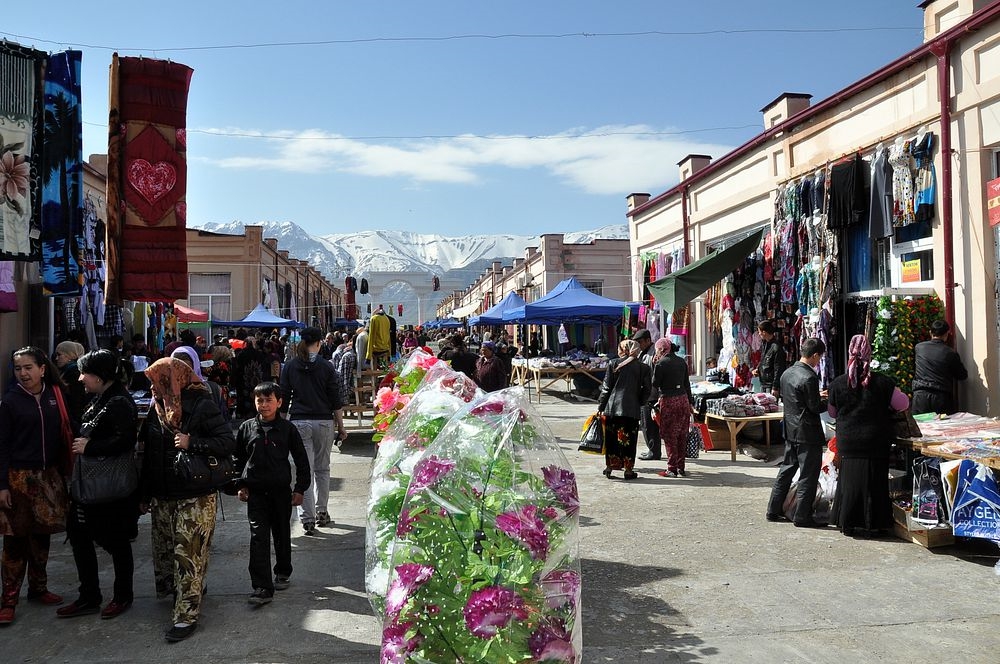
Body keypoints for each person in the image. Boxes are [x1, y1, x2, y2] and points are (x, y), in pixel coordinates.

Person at [139, 357, 236, 642]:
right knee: (168, 554)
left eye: (158, 382)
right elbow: (149, 456)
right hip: (163, 495)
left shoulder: (201, 404)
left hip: (194, 494)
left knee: (188, 555)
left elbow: (227, 442)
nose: (153, 388)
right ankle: (184, 594)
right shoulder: (156, 408)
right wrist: (145, 494)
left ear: (174, 380)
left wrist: (193, 442)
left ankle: (186, 617)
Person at [57, 350, 139, 620]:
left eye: (84, 373)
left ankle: (121, 596)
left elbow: (127, 442)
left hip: (108, 490)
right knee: (80, 538)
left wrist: (90, 446)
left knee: (115, 542)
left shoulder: (118, 402)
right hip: (89, 487)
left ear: (100, 375)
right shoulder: (101, 397)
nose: (80, 378)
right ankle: (89, 595)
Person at [0, 347, 71, 624]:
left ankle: (38, 588)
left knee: (42, 535)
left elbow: (68, 430)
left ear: (42, 369)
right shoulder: (10, 402)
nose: (23, 373)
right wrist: (2, 485)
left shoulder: (56, 395)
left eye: (28, 367)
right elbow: (2, 446)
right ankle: (8, 600)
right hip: (18, 477)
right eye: (18, 369)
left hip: (49, 476)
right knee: (15, 540)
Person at [234, 383, 311, 605]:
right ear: (254, 402)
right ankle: (262, 587)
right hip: (256, 493)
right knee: (258, 537)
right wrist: (240, 484)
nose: (264, 405)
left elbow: (301, 461)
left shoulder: (288, 429)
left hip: (280, 493)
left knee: (281, 533)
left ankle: (283, 570)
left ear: (279, 402)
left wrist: (299, 489)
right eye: (260, 400)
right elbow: (237, 459)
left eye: (269, 400)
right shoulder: (247, 428)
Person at [827, 335, 910, 537]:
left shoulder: (838, 383)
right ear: (868, 355)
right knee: (876, 483)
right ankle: (876, 523)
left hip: (849, 441)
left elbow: (832, 413)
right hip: (876, 441)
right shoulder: (883, 382)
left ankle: (847, 522)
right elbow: (903, 405)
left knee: (848, 483)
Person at [279, 327, 346, 536]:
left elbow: (284, 398)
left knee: (303, 471)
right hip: (324, 422)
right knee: (322, 469)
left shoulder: (289, 366)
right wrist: (341, 427)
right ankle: (322, 512)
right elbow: (335, 399)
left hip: (299, 422)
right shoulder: (326, 367)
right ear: (318, 343)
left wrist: (281, 425)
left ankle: (307, 519)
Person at [766, 338, 828, 528]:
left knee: (786, 470)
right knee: (808, 475)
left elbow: (796, 399)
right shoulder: (809, 377)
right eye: (819, 358)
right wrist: (827, 399)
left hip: (791, 430)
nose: (819, 362)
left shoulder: (787, 373)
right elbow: (815, 407)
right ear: (815, 355)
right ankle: (802, 515)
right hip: (807, 432)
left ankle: (773, 509)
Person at [597, 339, 652, 481]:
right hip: (631, 410)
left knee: (612, 440)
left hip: (612, 408)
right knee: (629, 440)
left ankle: (610, 467)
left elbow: (606, 388)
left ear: (623, 349)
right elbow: (647, 390)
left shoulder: (613, 364)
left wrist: (601, 406)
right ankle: (628, 470)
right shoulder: (643, 368)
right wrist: (639, 402)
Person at [651, 339, 694, 478]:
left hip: (669, 401)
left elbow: (655, 383)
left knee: (670, 436)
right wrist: (691, 403)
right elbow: (687, 384)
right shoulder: (682, 362)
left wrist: (654, 365)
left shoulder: (661, 363)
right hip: (683, 400)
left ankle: (672, 468)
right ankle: (681, 468)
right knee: (682, 434)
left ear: (661, 349)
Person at [911, 319, 968, 415]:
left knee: (920, 427)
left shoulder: (919, 348)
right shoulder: (950, 353)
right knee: (942, 427)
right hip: (940, 397)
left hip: (920, 396)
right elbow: (962, 375)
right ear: (946, 334)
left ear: (930, 332)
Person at [634, 330, 661, 462]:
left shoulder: (653, 354)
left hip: (651, 395)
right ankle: (652, 449)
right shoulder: (642, 353)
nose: (639, 345)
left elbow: (655, 376)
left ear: (648, 340)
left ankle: (654, 451)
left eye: (640, 342)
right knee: (646, 425)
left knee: (649, 425)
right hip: (645, 394)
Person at [53, 341, 89, 422]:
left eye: (59, 355)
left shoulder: (75, 372)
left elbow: (76, 400)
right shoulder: (67, 370)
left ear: (70, 356)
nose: (57, 358)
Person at [753, 320, 786, 397]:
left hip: (770, 385)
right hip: (764, 382)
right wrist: (758, 369)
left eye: (759, 332)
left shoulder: (776, 347)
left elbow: (778, 368)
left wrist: (775, 387)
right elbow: (763, 359)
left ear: (764, 332)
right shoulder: (765, 344)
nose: (759, 334)